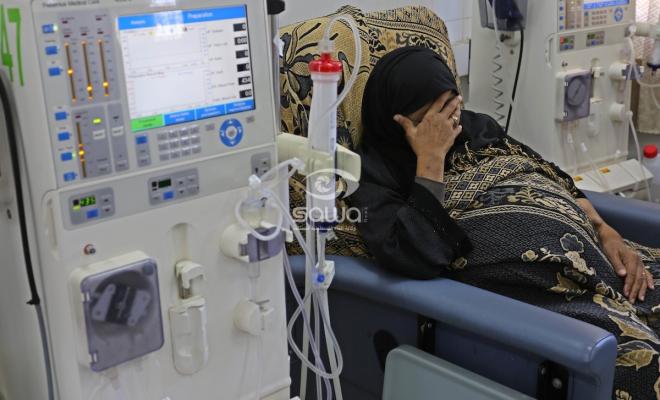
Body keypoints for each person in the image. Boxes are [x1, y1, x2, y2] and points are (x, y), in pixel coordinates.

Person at [350, 46, 660, 399]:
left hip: (596, 256)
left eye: (451, 108)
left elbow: (553, 176)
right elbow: (413, 253)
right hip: (531, 291)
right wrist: (431, 158)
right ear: (396, 121)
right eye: (429, 122)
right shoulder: (374, 173)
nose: (448, 127)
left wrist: (607, 232)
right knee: (641, 358)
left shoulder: (477, 127)